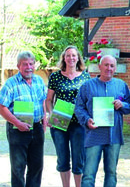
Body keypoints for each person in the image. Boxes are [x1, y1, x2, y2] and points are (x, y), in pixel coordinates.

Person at [75, 55, 130, 187]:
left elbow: (129, 104)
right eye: (106, 65)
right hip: (93, 136)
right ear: (99, 67)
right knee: (89, 174)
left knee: (111, 173)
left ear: (115, 68)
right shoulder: (87, 86)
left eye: (112, 66)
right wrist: (87, 120)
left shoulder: (121, 85)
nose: (109, 68)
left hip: (114, 136)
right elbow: (78, 108)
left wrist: (122, 105)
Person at [0, 51, 47, 187]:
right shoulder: (11, 84)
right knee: (18, 168)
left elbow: (43, 101)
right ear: (18, 66)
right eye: (25, 64)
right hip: (17, 130)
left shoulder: (38, 81)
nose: (29, 67)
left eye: (31, 64)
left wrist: (44, 118)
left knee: (37, 166)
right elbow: (1, 107)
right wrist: (17, 123)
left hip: (37, 128)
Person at [46, 46, 90, 187]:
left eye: (74, 55)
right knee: (63, 159)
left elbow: (89, 99)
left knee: (79, 159)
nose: (71, 58)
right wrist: (51, 114)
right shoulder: (55, 76)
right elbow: (48, 100)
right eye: (68, 55)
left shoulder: (85, 76)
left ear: (78, 58)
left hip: (79, 124)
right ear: (64, 58)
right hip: (59, 123)